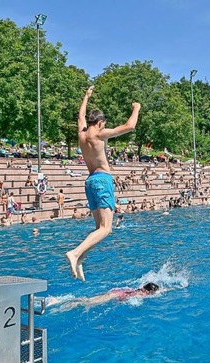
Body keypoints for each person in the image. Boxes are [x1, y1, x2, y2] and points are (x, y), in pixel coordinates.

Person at [66, 85, 141, 281]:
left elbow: (80, 116)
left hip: (89, 182)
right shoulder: (99, 134)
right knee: (106, 228)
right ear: (100, 122)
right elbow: (129, 126)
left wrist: (86, 96)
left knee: (99, 228)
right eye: (103, 123)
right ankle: (75, 253)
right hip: (102, 180)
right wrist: (137, 108)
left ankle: (80, 257)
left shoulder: (82, 135)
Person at [48, 282, 160, 309]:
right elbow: (126, 298)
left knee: (87, 300)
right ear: (148, 292)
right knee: (87, 303)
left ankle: (58, 301)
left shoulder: (139, 288)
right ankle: (57, 303)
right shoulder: (140, 294)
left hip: (112, 293)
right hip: (111, 296)